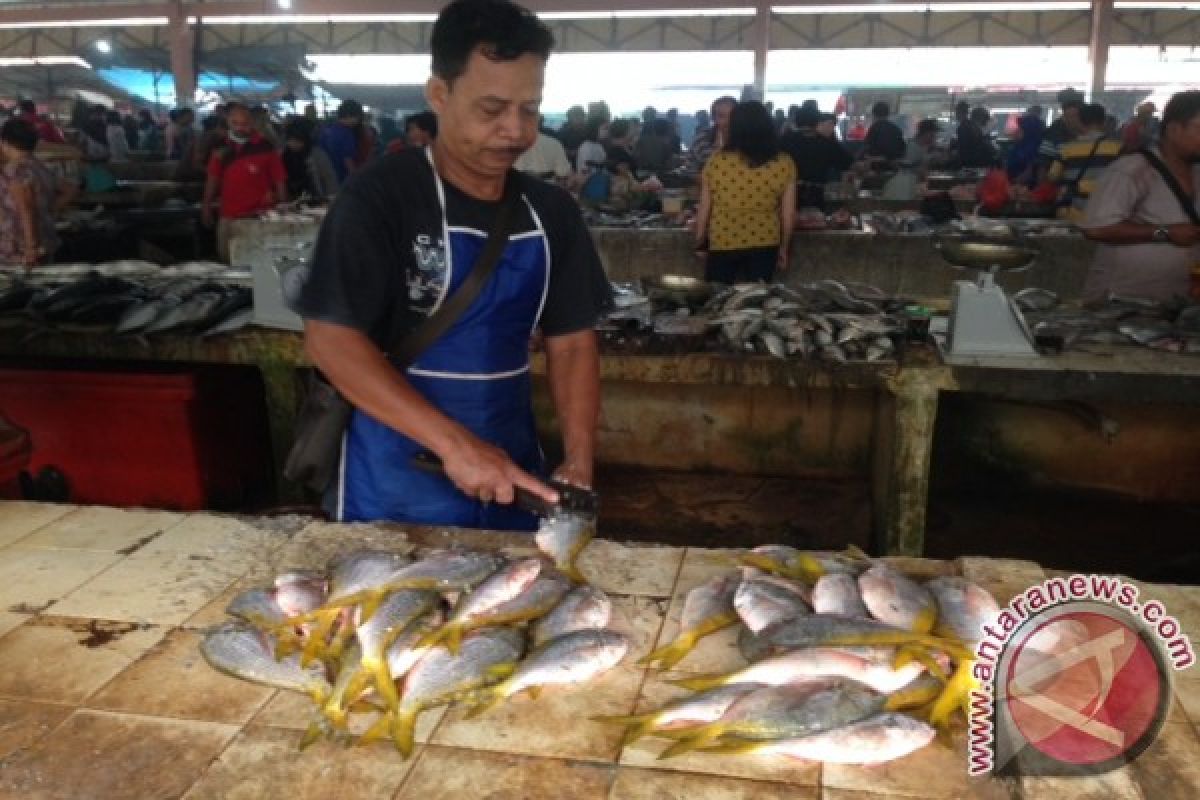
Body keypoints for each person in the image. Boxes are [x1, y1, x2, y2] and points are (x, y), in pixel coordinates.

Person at [294, 0, 612, 528]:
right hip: (393, 480)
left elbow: (574, 343)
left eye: (529, 109)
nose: (515, 130)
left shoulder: (551, 212)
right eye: (492, 110)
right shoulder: (380, 198)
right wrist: (456, 446)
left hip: (512, 470)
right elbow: (330, 339)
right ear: (438, 95)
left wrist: (579, 461)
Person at [1079, 90, 1200, 303]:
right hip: (1121, 302)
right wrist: (1165, 232)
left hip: (1177, 303)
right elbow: (1096, 228)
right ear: (1173, 129)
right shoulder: (1131, 170)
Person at [693, 101, 796, 284]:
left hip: (723, 239)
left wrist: (701, 241)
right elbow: (788, 214)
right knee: (756, 301)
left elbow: (705, 207)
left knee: (717, 300)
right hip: (765, 241)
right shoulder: (784, 163)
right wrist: (784, 248)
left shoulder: (717, 161)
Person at [201, 102, 287, 263]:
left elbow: (279, 178)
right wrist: (206, 205)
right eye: (236, 123)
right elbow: (213, 179)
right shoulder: (220, 148)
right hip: (229, 215)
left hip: (261, 215)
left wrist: (283, 206)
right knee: (228, 259)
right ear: (228, 123)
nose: (240, 128)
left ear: (252, 123)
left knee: (261, 261)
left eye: (245, 124)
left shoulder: (265, 146)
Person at [0, 118, 63, 269]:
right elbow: (68, 189)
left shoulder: (15, 171)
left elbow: (26, 209)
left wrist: (31, 248)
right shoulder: (40, 167)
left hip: (20, 248)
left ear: (5, 142)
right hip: (45, 241)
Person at [1045, 102, 1122, 221]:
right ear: (1104, 121)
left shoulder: (1066, 149)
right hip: (1107, 213)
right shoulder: (1118, 148)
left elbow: (1053, 176)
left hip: (1073, 213)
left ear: (1081, 122)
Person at [780, 106, 852, 209]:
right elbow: (847, 162)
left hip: (788, 193)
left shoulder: (785, 140)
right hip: (817, 193)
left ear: (796, 121)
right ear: (817, 122)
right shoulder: (827, 143)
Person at [283, 120, 338, 201]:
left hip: (316, 201)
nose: (293, 144)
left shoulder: (317, 155)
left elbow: (330, 180)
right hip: (291, 201)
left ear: (305, 140)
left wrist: (332, 199)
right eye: (290, 140)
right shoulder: (284, 156)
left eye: (297, 141)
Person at [319, 99, 364, 186]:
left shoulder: (326, 129)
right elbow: (348, 160)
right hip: (341, 178)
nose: (358, 121)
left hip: (324, 177)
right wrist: (355, 179)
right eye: (358, 118)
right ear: (349, 115)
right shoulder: (347, 133)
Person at [690, 96, 735, 167]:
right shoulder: (703, 137)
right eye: (721, 116)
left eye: (721, 116)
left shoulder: (744, 140)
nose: (728, 120)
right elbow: (692, 165)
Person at [1006, 112, 1045, 187]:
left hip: (1026, 188)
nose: (1017, 131)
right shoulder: (1019, 146)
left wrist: (1012, 183)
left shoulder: (1035, 149)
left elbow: (1029, 173)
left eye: (1020, 128)